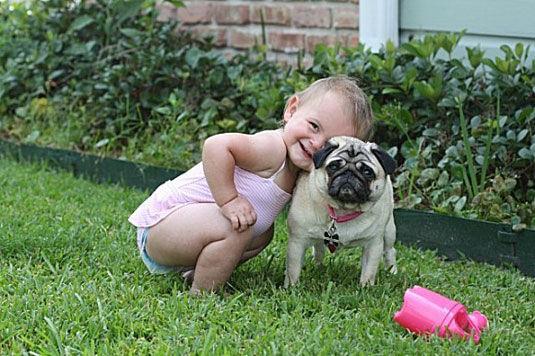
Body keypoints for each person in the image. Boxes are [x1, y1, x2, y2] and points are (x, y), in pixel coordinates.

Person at [128, 76, 374, 295]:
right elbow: (215, 146)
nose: (316, 142)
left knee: (262, 233)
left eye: (330, 144)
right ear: (291, 109)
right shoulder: (272, 148)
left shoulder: (302, 170)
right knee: (239, 225)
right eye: (314, 126)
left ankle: (201, 270)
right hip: (161, 226)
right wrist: (229, 200)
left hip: (185, 232)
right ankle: (202, 293)